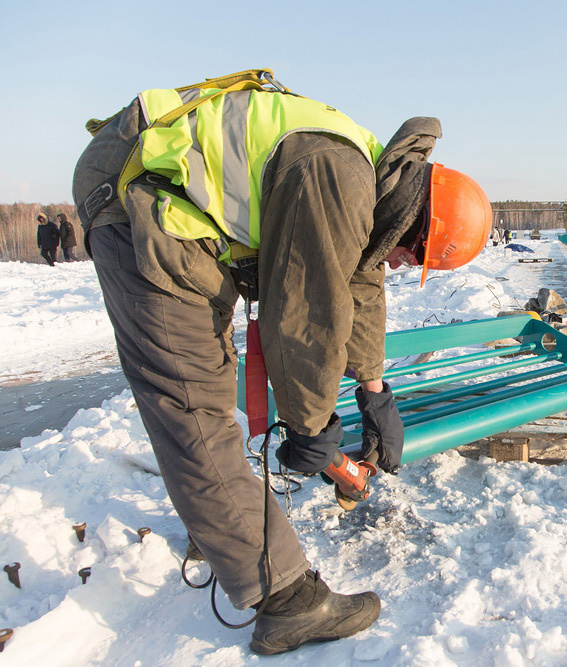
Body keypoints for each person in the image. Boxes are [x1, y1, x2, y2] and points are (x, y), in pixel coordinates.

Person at [72, 69, 491, 656]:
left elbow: (360, 284)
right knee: (193, 405)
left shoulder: (369, 181)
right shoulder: (336, 176)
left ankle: (226, 526)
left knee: (206, 400)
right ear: (413, 224)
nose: (399, 265)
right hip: (136, 198)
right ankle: (287, 601)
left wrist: (375, 393)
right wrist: (312, 430)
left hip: (168, 198)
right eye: (411, 256)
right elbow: (304, 319)